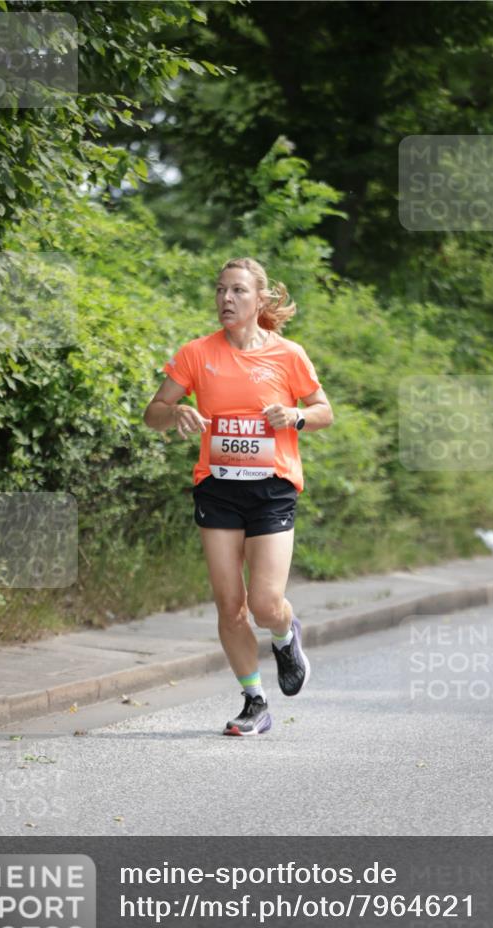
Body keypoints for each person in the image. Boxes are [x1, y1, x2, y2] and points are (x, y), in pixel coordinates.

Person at [143, 257, 333, 734]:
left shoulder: (288, 354)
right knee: (230, 606)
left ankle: (286, 636)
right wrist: (177, 414)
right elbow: (155, 412)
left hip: (272, 488)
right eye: (221, 290)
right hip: (218, 487)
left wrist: (296, 417)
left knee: (266, 603)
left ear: (259, 300)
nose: (226, 299)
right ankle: (254, 700)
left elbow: (323, 409)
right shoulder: (196, 354)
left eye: (238, 291)